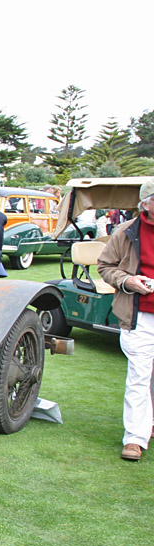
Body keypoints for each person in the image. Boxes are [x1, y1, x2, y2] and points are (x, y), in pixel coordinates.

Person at [97, 179, 154, 461]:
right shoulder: (126, 232)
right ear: (145, 204)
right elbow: (105, 266)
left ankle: (149, 422)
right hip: (138, 314)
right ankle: (134, 438)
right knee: (139, 376)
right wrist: (128, 280)